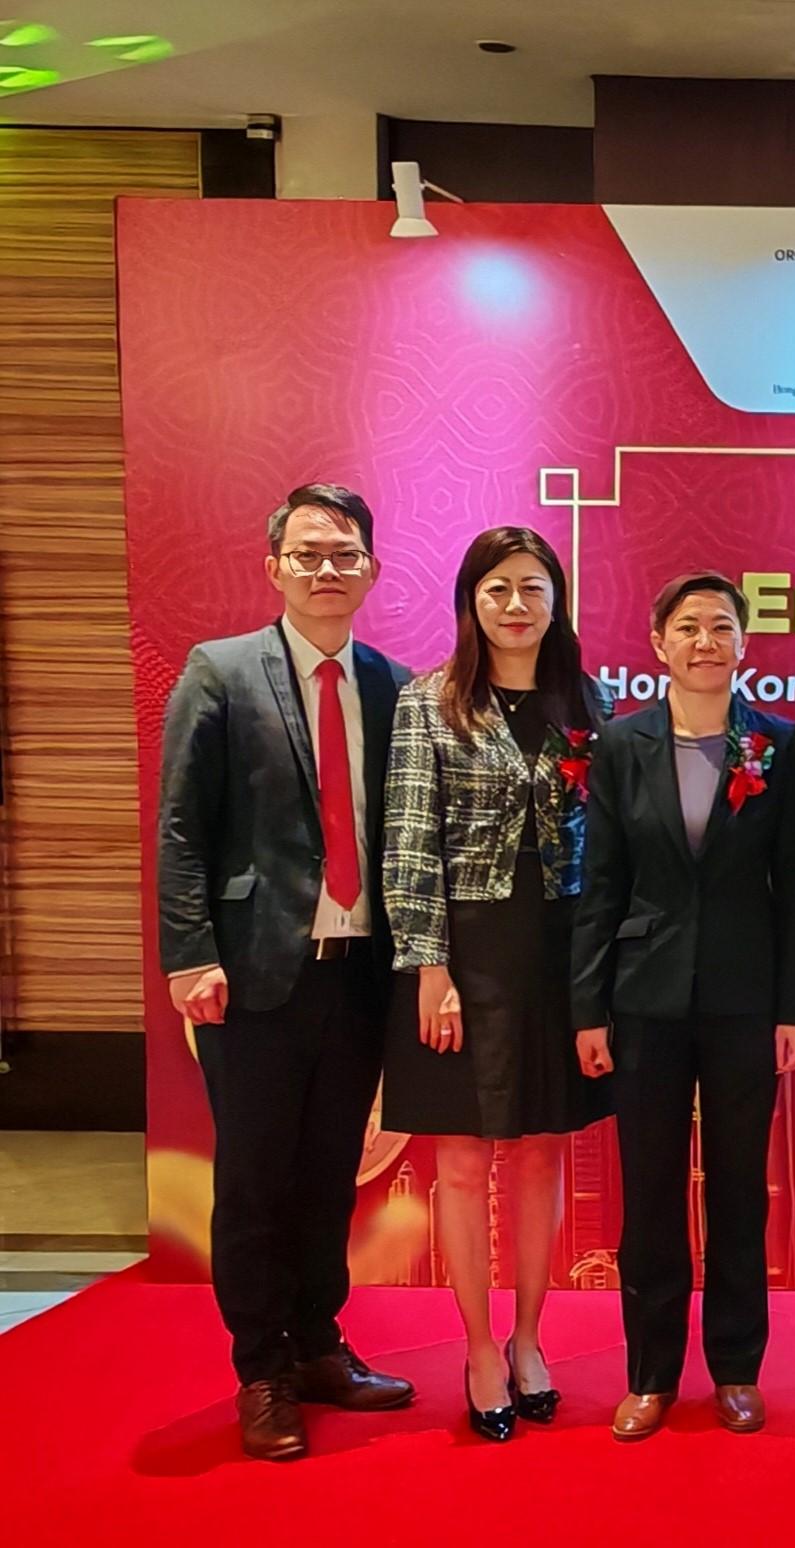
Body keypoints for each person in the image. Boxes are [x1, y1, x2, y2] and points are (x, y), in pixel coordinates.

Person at [156, 484, 417, 1461]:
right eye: (307, 554)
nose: (326, 570)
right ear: (273, 567)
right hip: (254, 973)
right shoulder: (218, 673)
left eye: (344, 554)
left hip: (358, 971)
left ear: (371, 570)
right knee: (256, 1182)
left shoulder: (392, 683)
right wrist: (189, 954)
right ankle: (260, 1371)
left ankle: (318, 1345)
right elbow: (183, 826)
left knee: (327, 1177)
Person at [570, 574, 795, 1441]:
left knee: (742, 1192)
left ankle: (737, 1369)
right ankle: (649, 1375)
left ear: (744, 645)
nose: (707, 641)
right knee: (648, 1195)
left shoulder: (779, 749)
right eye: (689, 627)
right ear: (659, 643)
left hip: (747, 1002)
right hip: (642, 1002)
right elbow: (598, 886)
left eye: (722, 627)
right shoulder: (620, 746)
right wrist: (587, 1009)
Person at [382, 525, 612, 1443]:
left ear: (557, 601)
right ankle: (477, 1348)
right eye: (497, 589)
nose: (516, 605)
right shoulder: (428, 703)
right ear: (471, 603)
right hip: (464, 951)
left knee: (544, 1151)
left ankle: (528, 1339)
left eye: (533, 588)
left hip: (556, 948)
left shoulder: (580, 702)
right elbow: (407, 843)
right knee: (466, 1159)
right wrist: (429, 968)